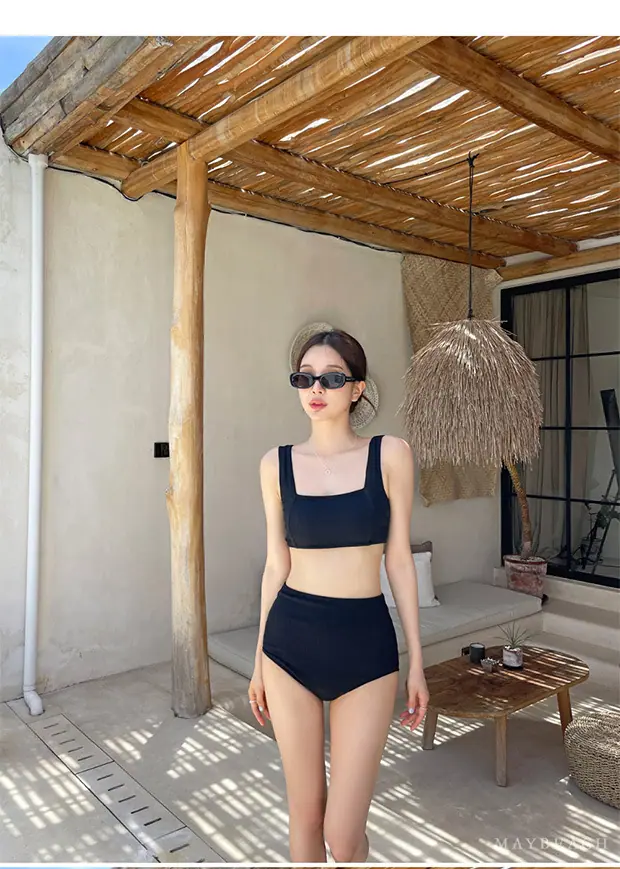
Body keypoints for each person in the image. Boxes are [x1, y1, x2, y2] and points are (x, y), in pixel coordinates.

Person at [248, 328, 429, 863]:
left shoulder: (390, 455)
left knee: (343, 836)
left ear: (357, 389)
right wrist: (258, 662)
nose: (316, 389)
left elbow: (399, 560)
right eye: (305, 378)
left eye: (331, 378)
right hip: (289, 646)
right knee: (305, 816)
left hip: (365, 647)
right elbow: (275, 565)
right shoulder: (275, 464)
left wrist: (417, 661)